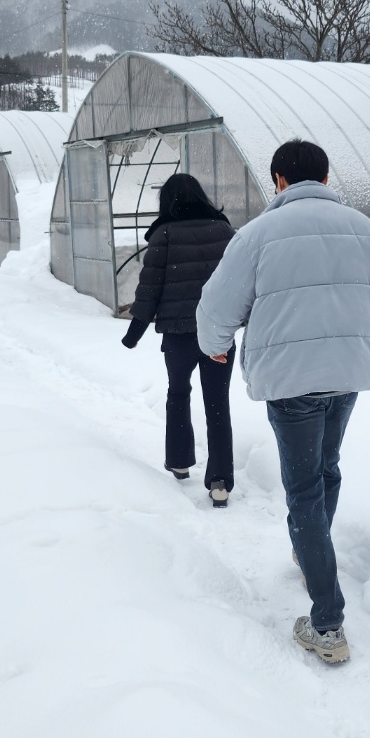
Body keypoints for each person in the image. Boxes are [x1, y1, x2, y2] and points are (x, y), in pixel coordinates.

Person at [197, 139, 370, 663]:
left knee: (302, 487)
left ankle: (326, 624)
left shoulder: (257, 235)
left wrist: (214, 347)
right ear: (325, 178)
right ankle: (310, 551)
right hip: (347, 377)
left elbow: (217, 305)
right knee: (326, 469)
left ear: (278, 180)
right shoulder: (365, 231)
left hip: (291, 382)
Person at [122, 174, 236, 507]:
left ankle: (180, 460)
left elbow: (149, 289)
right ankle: (220, 482)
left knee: (178, 392)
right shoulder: (224, 232)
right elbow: (239, 284)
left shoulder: (165, 234)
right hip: (218, 336)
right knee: (218, 404)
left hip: (178, 335)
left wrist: (134, 332)